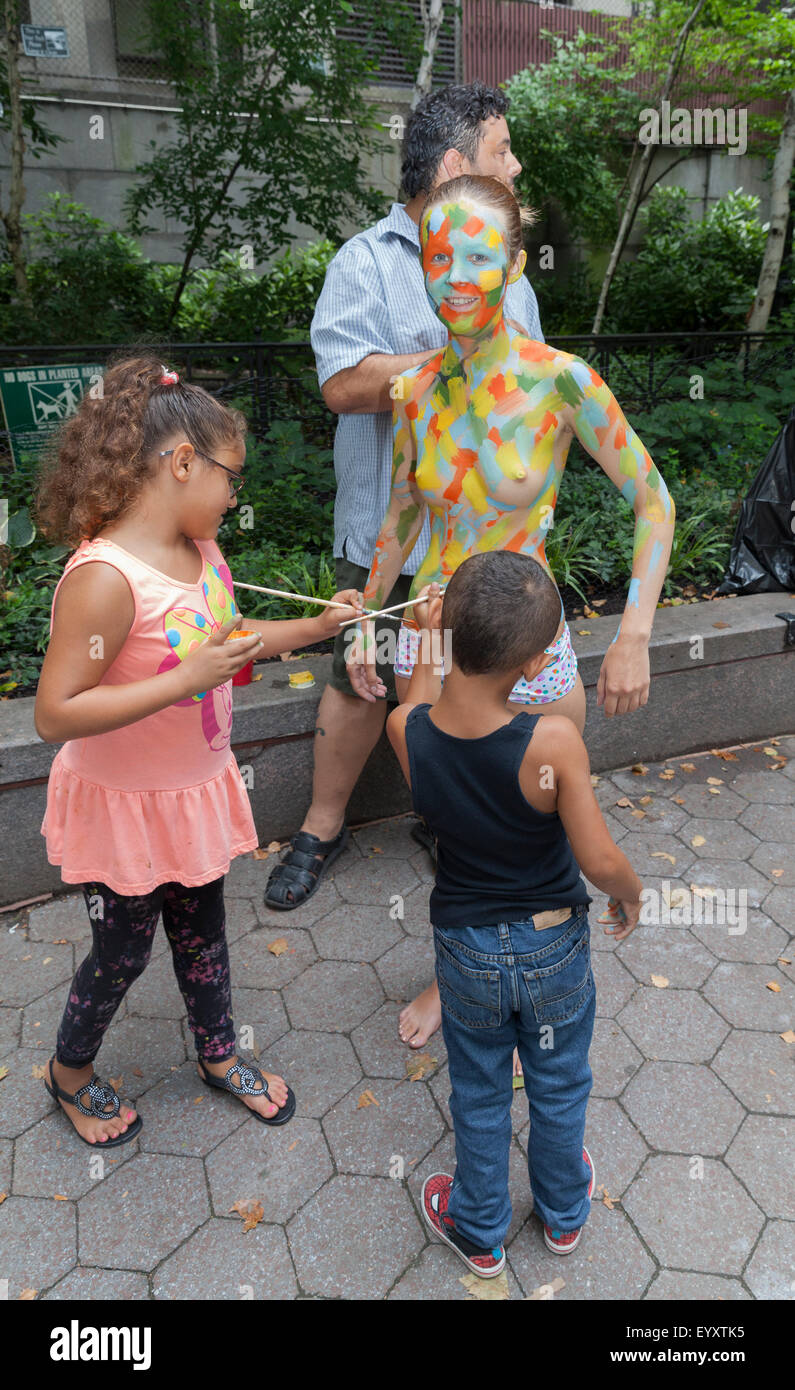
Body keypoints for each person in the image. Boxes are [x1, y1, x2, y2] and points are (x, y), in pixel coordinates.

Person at [346, 173, 675, 1056]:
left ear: (515, 266)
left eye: (477, 258)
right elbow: (402, 518)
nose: (454, 276)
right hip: (432, 638)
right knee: (455, 820)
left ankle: (539, 965)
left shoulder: (561, 382)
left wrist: (635, 633)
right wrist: (365, 617)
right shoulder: (413, 389)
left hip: (526, 640)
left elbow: (652, 502)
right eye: (437, 255)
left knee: (538, 814)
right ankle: (462, 968)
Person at [33, 357, 363, 1147]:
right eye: (230, 476)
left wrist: (315, 629)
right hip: (124, 810)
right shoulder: (107, 579)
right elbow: (56, 713)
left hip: (192, 792)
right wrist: (185, 676)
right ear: (183, 463)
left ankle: (218, 1054)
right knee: (120, 955)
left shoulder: (200, 550)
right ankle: (69, 1073)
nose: (234, 494)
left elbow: (233, 647)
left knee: (203, 935)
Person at [264, 81, 542, 911]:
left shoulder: (507, 265)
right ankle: (319, 826)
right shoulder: (367, 262)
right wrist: (448, 365)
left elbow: (529, 380)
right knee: (360, 678)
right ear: (456, 165)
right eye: (502, 150)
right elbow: (344, 383)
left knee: (467, 677)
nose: (514, 164)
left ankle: (451, 821)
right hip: (387, 531)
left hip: (484, 535)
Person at [386, 554, 643, 1275]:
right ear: (535, 666)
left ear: (447, 631)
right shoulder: (551, 742)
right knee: (559, 1081)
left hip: (464, 951)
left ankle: (478, 1229)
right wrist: (630, 890)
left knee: (477, 1087)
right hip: (551, 944)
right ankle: (563, 1215)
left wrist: (427, 640)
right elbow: (597, 861)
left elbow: (412, 705)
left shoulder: (409, 732)